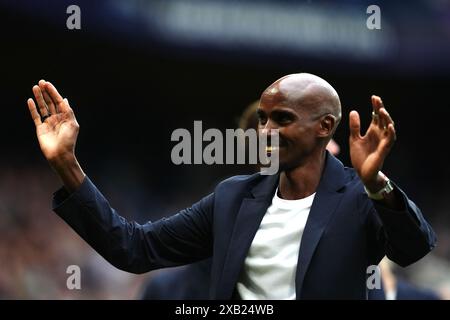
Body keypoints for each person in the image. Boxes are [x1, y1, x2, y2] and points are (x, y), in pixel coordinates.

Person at [26, 73, 436, 299]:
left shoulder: (359, 197)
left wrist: (375, 182)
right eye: (263, 119)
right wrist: (67, 165)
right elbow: (133, 247)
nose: (266, 130)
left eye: (283, 119)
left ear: (324, 127)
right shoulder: (233, 197)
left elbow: (414, 248)